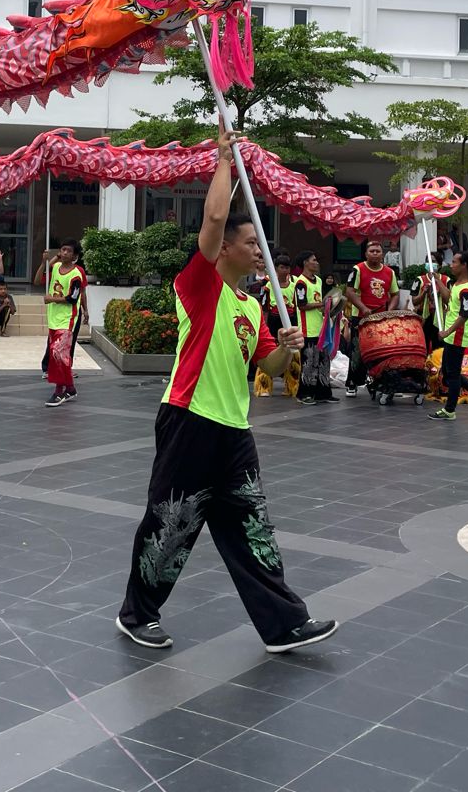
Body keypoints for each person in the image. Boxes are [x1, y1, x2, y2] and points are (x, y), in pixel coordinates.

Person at [114, 125, 336, 655]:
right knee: (172, 523)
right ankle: (136, 614)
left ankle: (284, 623)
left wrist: (289, 346)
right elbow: (213, 218)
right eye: (250, 242)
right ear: (226, 251)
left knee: (253, 527)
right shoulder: (199, 286)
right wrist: (222, 161)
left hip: (234, 429)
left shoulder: (252, 306)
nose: (259, 251)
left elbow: (268, 363)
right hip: (189, 418)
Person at [431, 251, 468, 421]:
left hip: (458, 336)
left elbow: (465, 314)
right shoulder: (457, 284)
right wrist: (438, 282)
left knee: (452, 374)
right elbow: (448, 299)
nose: (451, 265)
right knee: (448, 372)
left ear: (464, 265)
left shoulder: (467, 290)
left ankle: (450, 410)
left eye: (454, 262)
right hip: (451, 336)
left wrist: (448, 331)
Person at [341, 240, 395, 397]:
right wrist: (363, 308)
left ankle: (375, 382)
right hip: (361, 318)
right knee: (358, 351)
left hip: (381, 319)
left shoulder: (389, 272)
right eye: (372, 251)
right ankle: (352, 383)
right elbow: (349, 291)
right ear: (366, 253)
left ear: (382, 254)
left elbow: (395, 294)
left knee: (379, 353)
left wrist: (389, 311)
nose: (375, 253)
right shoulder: (358, 270)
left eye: (378, 251)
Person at [43, 239, 86, 406]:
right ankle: (70, 388)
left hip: (67, 319)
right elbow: (42, 276)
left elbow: (73, 298)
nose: (65, 253)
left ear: (75, 255)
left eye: (69, 251)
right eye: (63, 249)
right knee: (60, 355)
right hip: (54, 318)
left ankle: (59, 391)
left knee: (58, 354)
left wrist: (52, 299)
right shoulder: (55, 268)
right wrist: (45, 260)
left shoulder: (76, 274)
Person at [289, 252, 333, 405]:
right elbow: (302, 305)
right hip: (307, 329)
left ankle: (323, 392)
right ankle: (304, 394)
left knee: (323, 361)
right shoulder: (301, 283)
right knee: (309, 362)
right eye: (314, 260)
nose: (317, 263)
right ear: (305, 263)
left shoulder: (319, 280)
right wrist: (322, 304)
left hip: (321, 327)